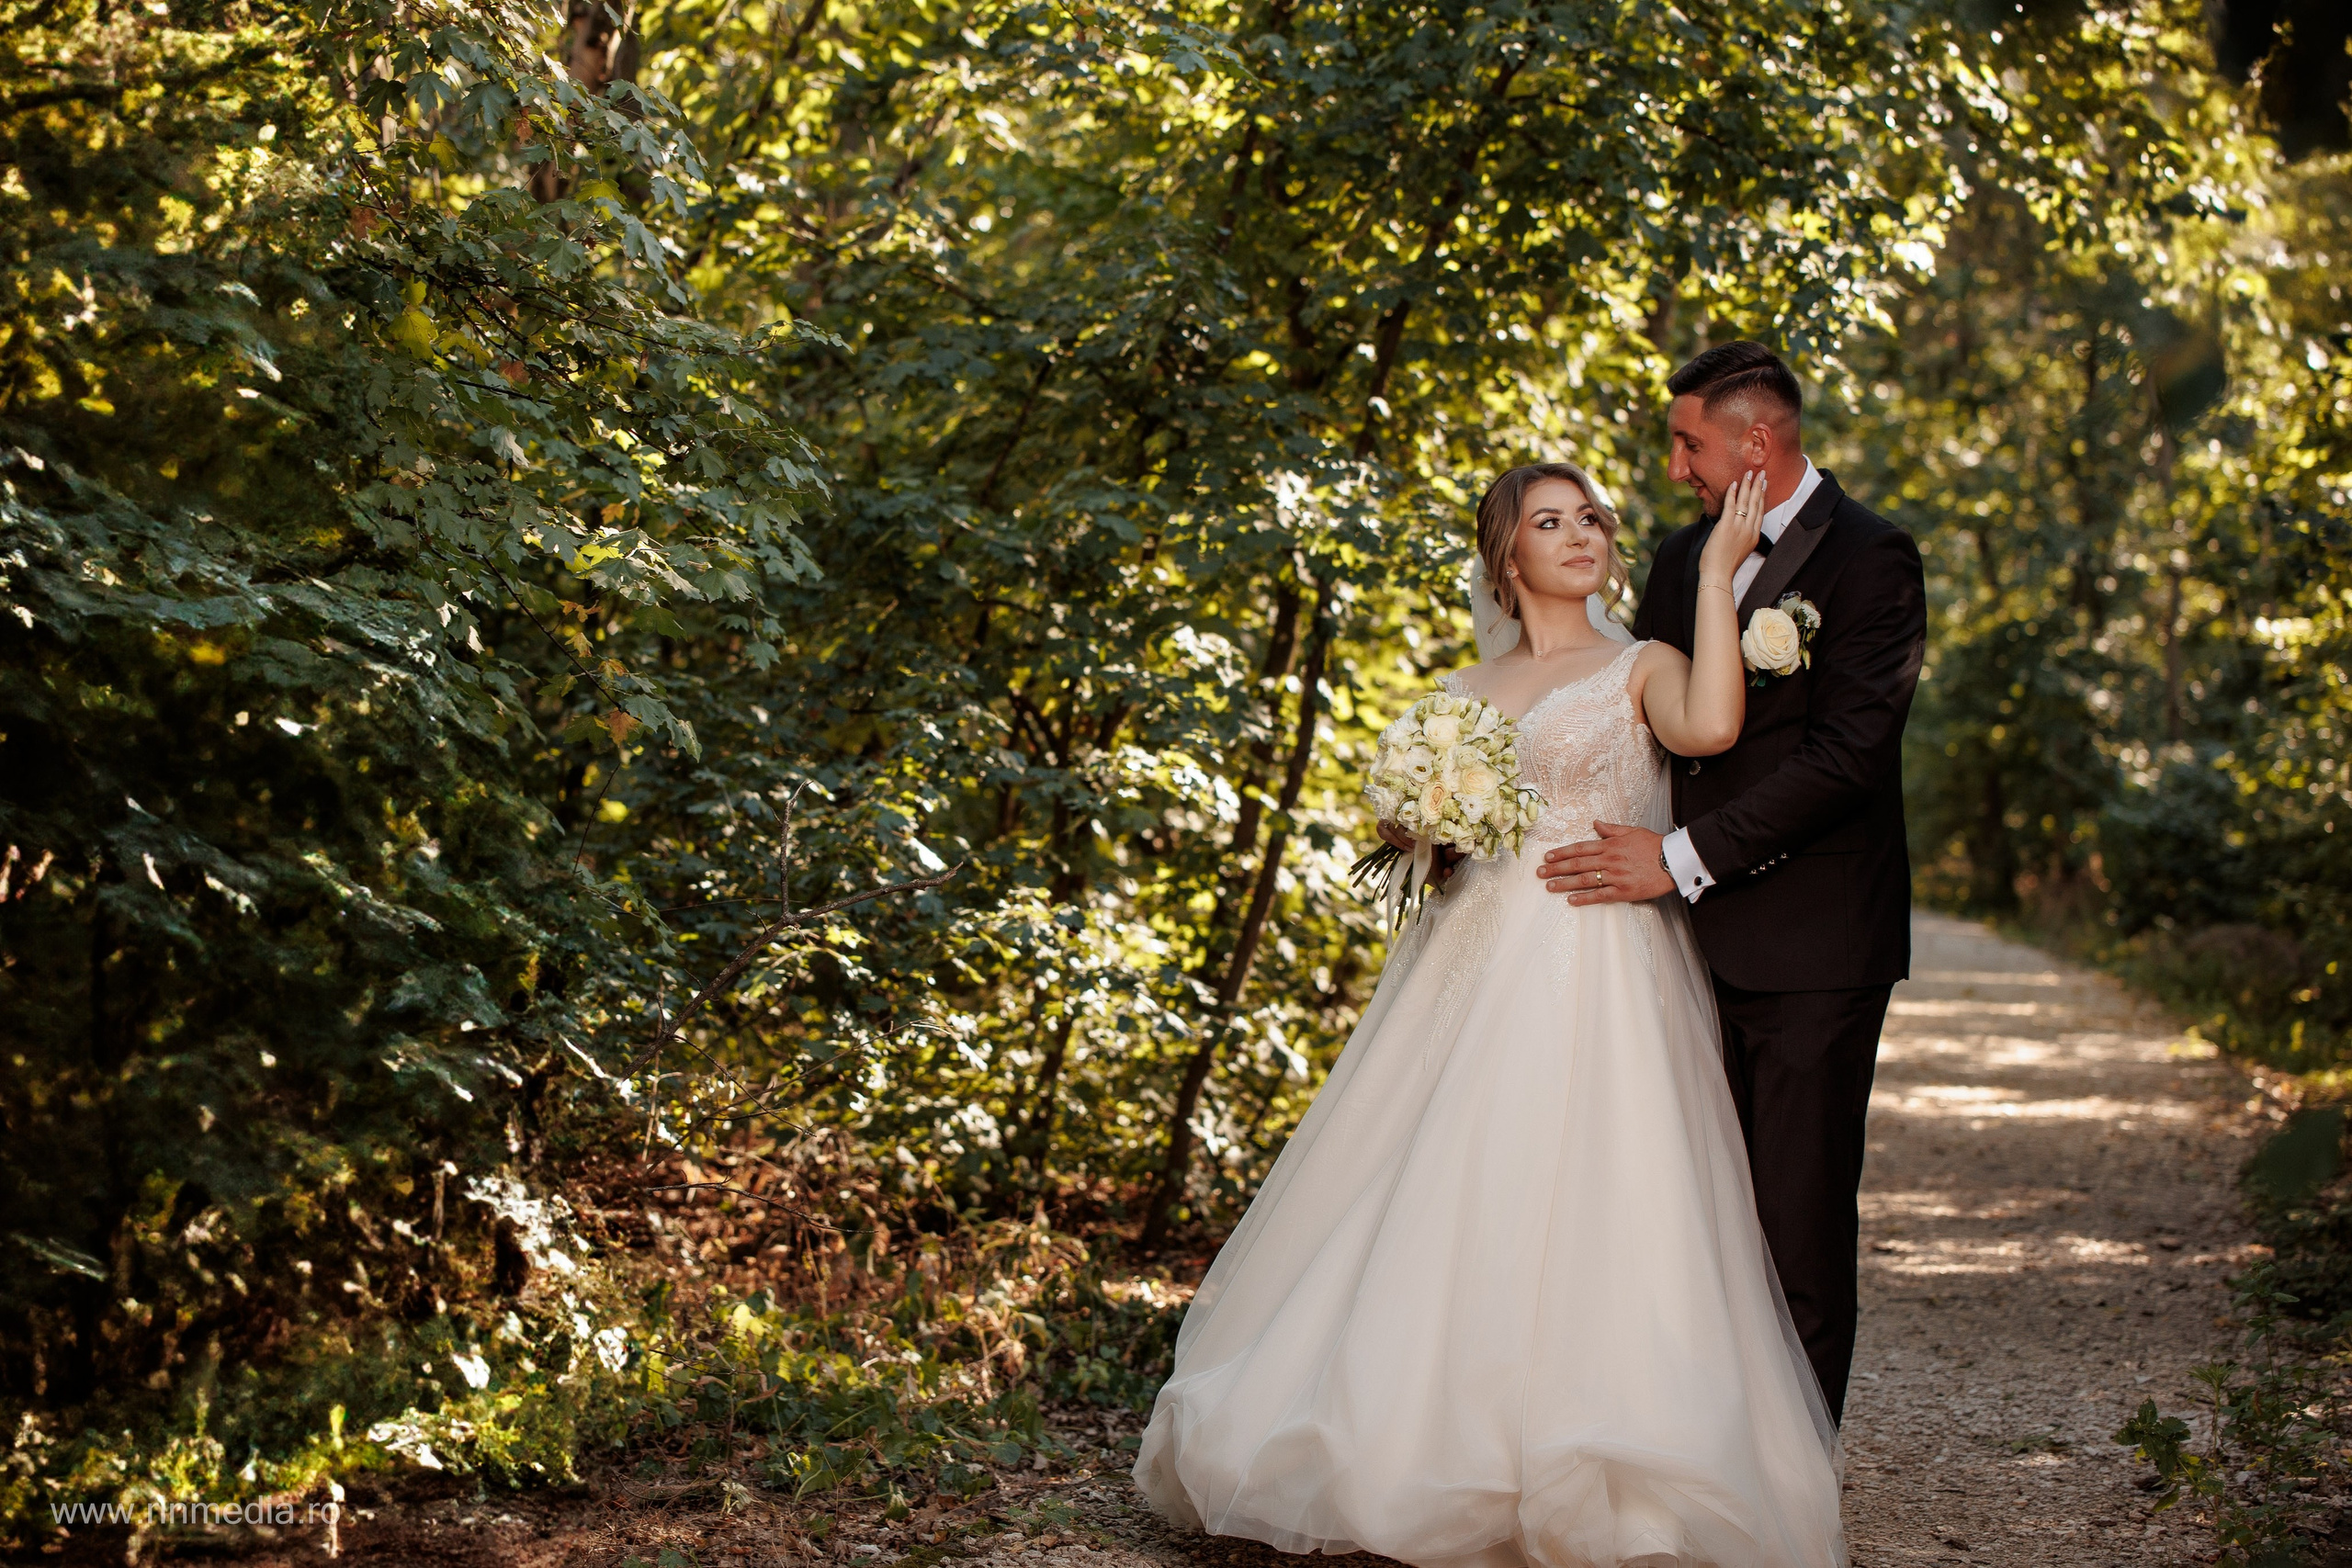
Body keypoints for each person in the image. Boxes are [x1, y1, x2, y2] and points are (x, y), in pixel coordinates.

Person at [1133, 452, 1848, 1568]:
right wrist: (1419, 824)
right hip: (1470, 955)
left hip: (1604, 951)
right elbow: (1431, 839)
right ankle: (1411, 1433)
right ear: (1505, 555)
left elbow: (1710, 729)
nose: (1581, 536)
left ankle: (1603, 1439)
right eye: (1549, 522)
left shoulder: (1640, 666)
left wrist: (1716, 574)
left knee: (1608, 1188)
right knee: (1448, 1174)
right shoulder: (1459, 697)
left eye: (1593, 519)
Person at [1536, 342, 1928, 1426]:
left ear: (1756, 442)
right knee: (1684, 1215)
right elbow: (1631, 724)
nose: (1675, 468)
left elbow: (1846, 759)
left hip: (1811, 946)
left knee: (1792, 1223)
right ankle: (1692, 1450)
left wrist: (1675, 859)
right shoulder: (1679, 558)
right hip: (1665, 951)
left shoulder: (1870, 559)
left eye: (1689, 443)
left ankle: (1793, 1483)